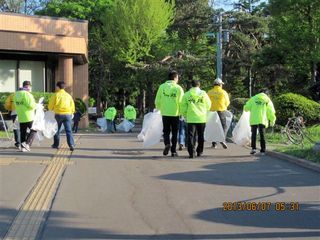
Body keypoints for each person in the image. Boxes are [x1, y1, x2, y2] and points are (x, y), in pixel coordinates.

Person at [155, 70, 184, 157]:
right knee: (175, 132)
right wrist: (182, 113)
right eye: (178, 78)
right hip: (175, 113)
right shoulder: (178, 88)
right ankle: (173, 151)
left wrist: (159, 109)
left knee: (166, 131)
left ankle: (167, 143)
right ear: (175, 78)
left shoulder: (162, 87)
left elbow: (157, 100)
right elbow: (181, 102)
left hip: (165, 113)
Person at [181, 80, 211, 158]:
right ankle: (199, 151)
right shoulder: (204, 94)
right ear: (199, 85)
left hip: (191, 118)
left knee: (191, 136)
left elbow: (183, 107)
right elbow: (208, 105)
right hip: (201, 118)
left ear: (191, 85)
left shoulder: (187, 94)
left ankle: (191, 153)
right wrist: (205, 111)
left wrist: (185, 115)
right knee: (201, 135)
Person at [244, 89, 276, 155]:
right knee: (262, 135)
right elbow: (271, 111)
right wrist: (272, 120)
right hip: (262, 120)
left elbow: (246, 108)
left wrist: (247, 108)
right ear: (266, 93)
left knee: (254, 134)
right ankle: (263, 151)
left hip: (254, 119)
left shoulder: (253, 98)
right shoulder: (267, 100)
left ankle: (253, 149)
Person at [48, 81, 75, 151]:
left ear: (57, 87)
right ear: (64, 87)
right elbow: (72, 105)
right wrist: (71, 112)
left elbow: (50, 106)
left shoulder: (56, 95)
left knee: (56, 130)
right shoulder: (68, 95)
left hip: (58, 114)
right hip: (68, 114)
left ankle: (56, 144)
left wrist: (51, 110)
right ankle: (71, 144)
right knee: (69, 130)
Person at [13, 81, 36, 152]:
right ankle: (27, 143)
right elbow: (32, 106)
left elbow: (15, 104)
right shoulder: (27, 94)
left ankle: (23, 147)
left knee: (23, 132)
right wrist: (37, 106)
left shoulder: (16, 94)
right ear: (28, 87)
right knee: (34, 129)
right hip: (29, 115)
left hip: (21, 115)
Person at [207, 78, 230, 149]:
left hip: (212, 112)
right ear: (220, 85)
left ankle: (214, 144)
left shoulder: (209, 92)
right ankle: (222, 139)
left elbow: (206, 102)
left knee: (213, 126)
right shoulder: (223, 92)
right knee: (224, 126)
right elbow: (227, 102)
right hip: (221, 110)